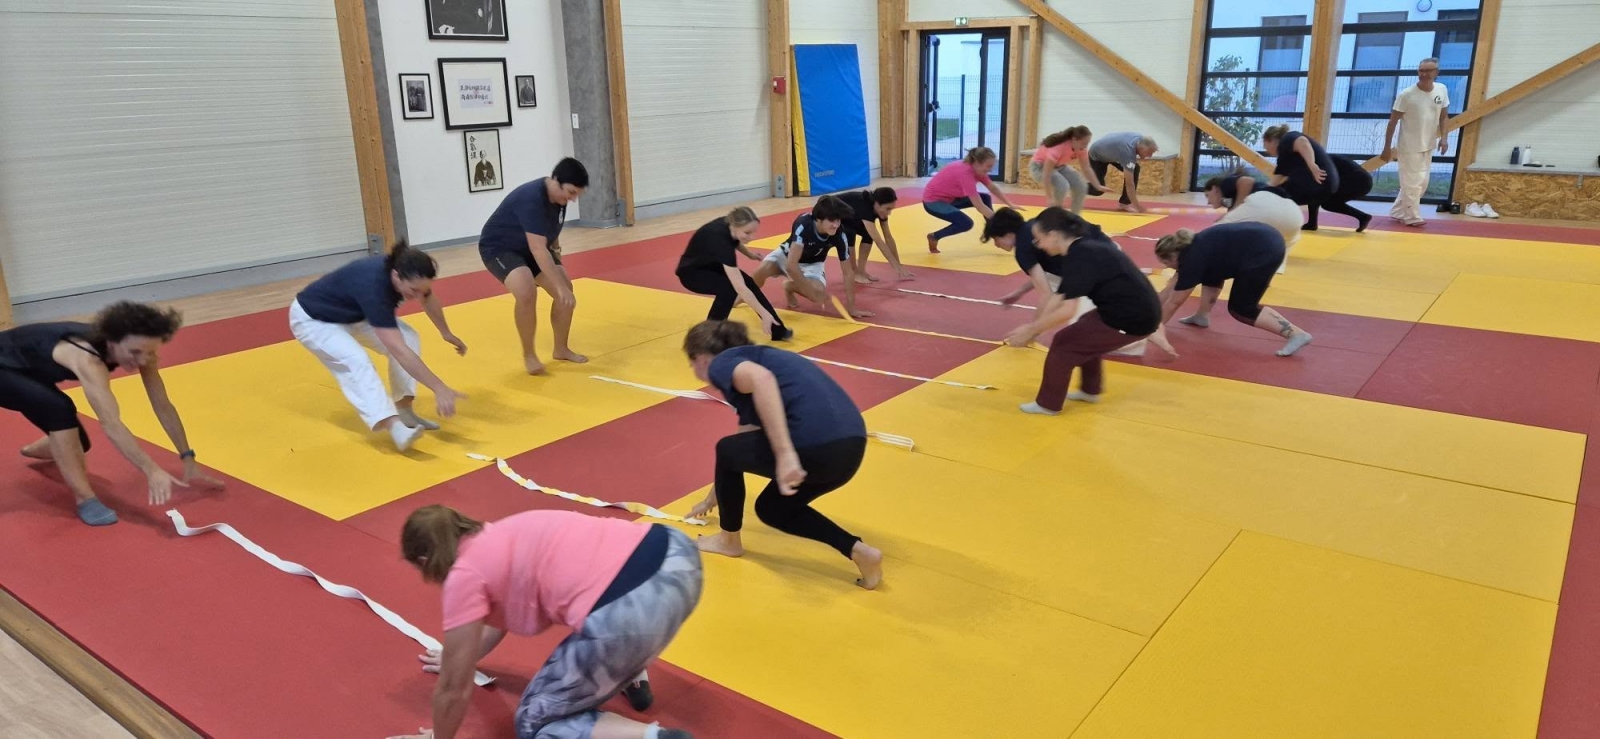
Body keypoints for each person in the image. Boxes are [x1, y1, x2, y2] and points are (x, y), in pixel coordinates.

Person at [391, 505, 701, 739]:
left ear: (424, 562)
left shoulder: (464, 575)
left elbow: (453, 689)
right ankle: (630, 673)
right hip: (679, 557)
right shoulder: (503, 532)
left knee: (535, 721)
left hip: (631, 615)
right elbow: (498, 617)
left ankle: (653, 737)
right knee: (610, 614)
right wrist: (460, 658)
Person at [680, 320, 884, 590]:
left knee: (725, 448)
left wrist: (785, 454)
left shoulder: (724, 362)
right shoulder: (767, 362)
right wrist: (711, 499)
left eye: (692, 363)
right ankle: (859, 551)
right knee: (772, 509)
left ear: (703, 358)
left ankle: (728, 541)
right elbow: (737, 453)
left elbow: (761, 380)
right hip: (848, 452)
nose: (695, 371)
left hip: (813, 446)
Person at [0, 301, 223, 525]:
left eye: (149, 352)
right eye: (135, 352)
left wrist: (187, 457)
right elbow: (112, 424)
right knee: (58, 409)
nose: (142, 360)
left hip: (30, 369)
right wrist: (151, 470)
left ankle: (39, 449)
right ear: (112, 342)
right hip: (4, 368)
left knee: (78, 443)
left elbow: (162, 404)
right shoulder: (88, 359)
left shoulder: (140, 350)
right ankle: (86, 500)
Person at [290, 241, 468, 452]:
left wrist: (446, 332)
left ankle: (405, 411)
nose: (418, 297)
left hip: (355, 315)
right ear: (396, 276)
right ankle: (394, 426)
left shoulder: (405, 272)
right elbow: (398, 350)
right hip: (315, 320)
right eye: (413, 291)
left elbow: (428, 298)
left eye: (423, 290)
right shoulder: (374, 288)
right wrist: (439, 387)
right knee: (356, 360)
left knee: (409, 337)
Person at [1003, 208, 1164, 415]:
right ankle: (1090, 390)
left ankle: (1048, 404)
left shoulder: (1082, 255)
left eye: (1039, 240)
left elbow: (1067, 311)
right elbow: (1060, 296)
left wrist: (1032, 330)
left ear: (1053, 235)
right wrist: (1033, 329)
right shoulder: (1078, 251)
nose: (1038, 245)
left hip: (1133, 318)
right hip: (1127, 310)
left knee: (1064, 345)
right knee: (1083, 332)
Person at [478, 158, 589, 375]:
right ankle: (529, 355)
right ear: (556, 181)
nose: (573, 198)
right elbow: (538, 250)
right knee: (526, 291)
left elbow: (551, 234)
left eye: (577, 194)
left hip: (531, 247)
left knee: (566, 289)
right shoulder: (532, 198)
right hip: (500, 248)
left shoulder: (560, 198)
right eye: (571, 192)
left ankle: (561, 349)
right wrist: (559, 285)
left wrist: (558, 260)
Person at [1153, 223, 1314, 357]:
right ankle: (1202, 316)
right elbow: (1169, 289)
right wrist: (1149, 312)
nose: (1166, 267)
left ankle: (1296, 333)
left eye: (1165, 263)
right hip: (1266, 240)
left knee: (1242, 308)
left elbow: (1175, 302)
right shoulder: (1190, 248)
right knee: (1211, 274)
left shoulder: (1192, 260)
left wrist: (1154, 330)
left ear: (1173, 256)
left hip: (1263, 251)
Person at [675, 207, 792, 341]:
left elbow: (735, 240)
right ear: (734, 226)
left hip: (710, 264)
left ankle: (777, 329)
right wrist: (764, 313)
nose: (752, 237)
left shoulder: (729, 224)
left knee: (749, 283)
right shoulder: (720, 241)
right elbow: (740, 288)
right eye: (747, 233)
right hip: (691, 274)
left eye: (754, 232)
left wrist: (750, 255)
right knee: (729, 289)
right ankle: (710, 336)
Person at [752, 195, 872, 319]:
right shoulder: (803, 224)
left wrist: (852, 308)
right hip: (787, 255)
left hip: (813, 263)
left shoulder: (840, 234)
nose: (836, 225)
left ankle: (789, 286)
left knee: (817, 292)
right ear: (819, 219)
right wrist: (808, 290)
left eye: (838, 220)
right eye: (832, 221)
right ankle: (743, 299)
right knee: (761, 270)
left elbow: (848, 273)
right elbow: (791, 266)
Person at [1382, 57, 1451, 227]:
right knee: (1412, 183)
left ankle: (1398, 211)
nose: (1424, 74)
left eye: (1428, 71)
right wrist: (1386, 148)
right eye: (1421, 70)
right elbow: (1392, 122)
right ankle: (1412, 216)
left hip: (1428, 144)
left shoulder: (1441, 89)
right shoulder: (1407, 95)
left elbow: (1444, 117)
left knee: (1422, 183)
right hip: (1409, 146)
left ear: (1436, 72)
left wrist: (1444, 138)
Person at [1259, 125, 1364, 231]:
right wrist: (1264, 190)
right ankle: (1309, 223)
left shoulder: (1287, 139)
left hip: (1322, 182)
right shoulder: (1286, 155)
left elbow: (1302, 142)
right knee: (1278, 191)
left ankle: (1272, 225)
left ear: (1270, 140)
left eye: (1265, 146)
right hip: (1325, 185)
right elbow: (1279, 177)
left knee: (1278, 194)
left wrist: (1312, 164)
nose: (1267, 151)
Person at [921, 146, 1019, 253]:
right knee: (966, 223)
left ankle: (995, 234)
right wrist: (1003, 225)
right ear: (977, 162)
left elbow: (992, 187)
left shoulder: (977, 169)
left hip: (951, 198)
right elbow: (979, 206)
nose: (990, 170)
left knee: (985, 198)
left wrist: (1010, 203)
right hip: (933, 202)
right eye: (989, 166)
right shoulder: (965, 174)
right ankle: (934, 236)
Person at [1203, 169, 1302, 273]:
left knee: (1215, 230)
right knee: (1281, 246)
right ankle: (1272, 268)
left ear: (1214, 188)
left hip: (1266, 204)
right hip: (1294, 214)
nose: (1208, 202)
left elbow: (1247, 181)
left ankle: (1199, 259)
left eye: (1207, 195)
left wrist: (1237, 207)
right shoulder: (1243, 195)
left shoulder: (1225, 183)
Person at [981, 207, 1063, 310]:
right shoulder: (1034, 224)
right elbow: (1044, 276)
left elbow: (1045, 291)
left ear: (1008, 235)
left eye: (996, 239)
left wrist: (1040, 319)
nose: (996, 245)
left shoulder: (1023, 250)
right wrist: (1019, 292)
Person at [836, 187, 913, 283]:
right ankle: (854, 273)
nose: (889, 213)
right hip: (830, 217)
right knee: (849, 233)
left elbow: (888, 237)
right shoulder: (865, 208)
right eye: (888, 209)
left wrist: (898, 264)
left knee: (868, 235)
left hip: (849, 217)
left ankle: (861, 271)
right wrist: (894, 265)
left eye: (891, 209)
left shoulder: (880, 211)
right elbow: (879, 241)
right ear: (877, 204)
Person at [1029, 125, 1106, 214]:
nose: (1085, 146)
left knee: (1081, 186)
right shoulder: (1059, 147)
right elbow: (1046, 173)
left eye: (1087, 143)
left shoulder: (1082, 149)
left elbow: (1086, 168)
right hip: (1039, 168)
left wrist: (1097, 186)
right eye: (1083, 143)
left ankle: (1075, 216)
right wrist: (1050, 198)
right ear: (1074, 139)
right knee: (1062, 184)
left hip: (1059, 166)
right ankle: (1055, 214)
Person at [1086, 132, 1158, 213]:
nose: (1150, 156)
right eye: (1149, 152)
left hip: (1111, 152)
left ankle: (1124, 203)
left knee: (1135, 168)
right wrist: (1138, 207)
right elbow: (1129, 183)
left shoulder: (1141, 139)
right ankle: (1077, 186)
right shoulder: (1128, 152)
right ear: (1142, 148)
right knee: (1097, 190)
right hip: (1096, 155)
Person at [1302, 154, 1374, 232]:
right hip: (1363, 182)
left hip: (1358, 182)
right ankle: (1363, 217)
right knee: (1327, 201)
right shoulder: (1318, 158)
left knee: (1325, 200)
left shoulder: (1317, 162)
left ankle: (1312, 223)